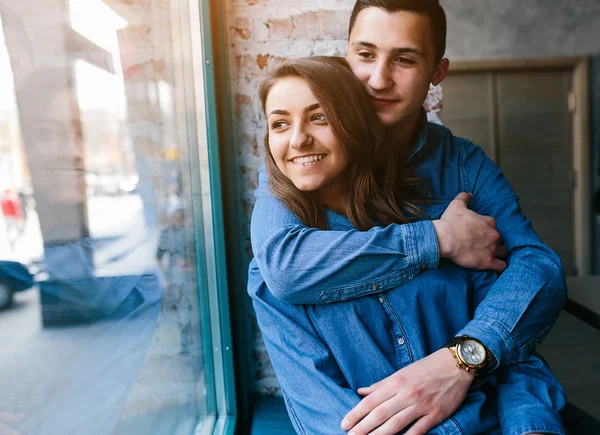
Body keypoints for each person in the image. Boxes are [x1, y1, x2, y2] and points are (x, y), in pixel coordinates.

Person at [249, 0, 567, 433]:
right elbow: (283, 270)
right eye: (364, 55)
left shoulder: (461, 169)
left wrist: (460, 359)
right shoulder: (302, 168)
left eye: (404, 59)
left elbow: (534, 272)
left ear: (437, 72)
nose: (378, 79)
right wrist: (438, 239)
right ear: (346, 56)